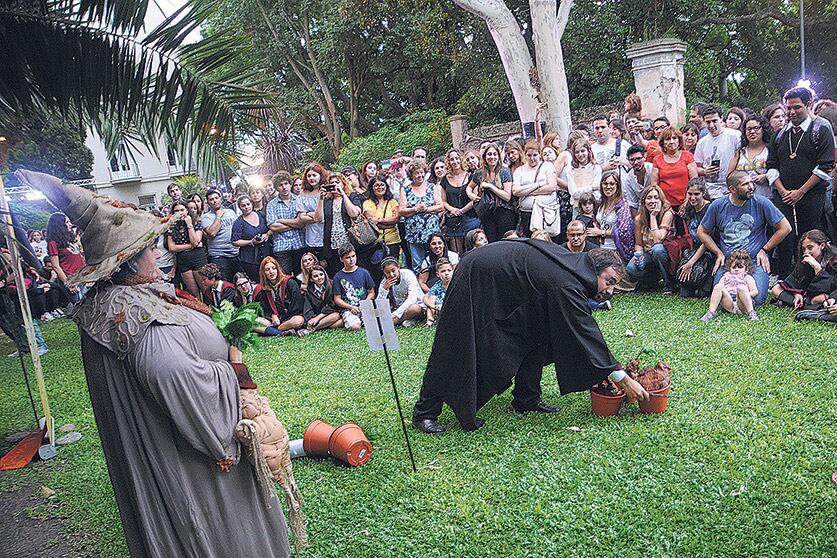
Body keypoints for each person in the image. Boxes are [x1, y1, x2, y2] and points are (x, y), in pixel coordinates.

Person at [15, 169, 293, 557]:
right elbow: (173, 376)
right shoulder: (137, 312)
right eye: (151, 245)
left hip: (160, 449)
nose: (157, 251)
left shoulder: (109, 303)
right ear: (131, 256)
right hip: (192, 468)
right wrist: (230, 368)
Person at [411, 243, 649, 434]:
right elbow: (586, 332)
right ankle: (425, 413)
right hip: (476, 275)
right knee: (455, 342)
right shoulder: (567, 283)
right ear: (595, 269)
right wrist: (624, 380)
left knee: (539, 334)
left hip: (504, 279)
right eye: (609, 282)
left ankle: (527, 397)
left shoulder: (573, 267)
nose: (609, 291)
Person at [766, 86, 836, 278]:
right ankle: (785, 278)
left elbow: (826, 166)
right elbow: (771, 165)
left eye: (796, 107)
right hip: (784, 195)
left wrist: (801, 192)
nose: (791, 112)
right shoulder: (780, 134)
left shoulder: (821, 128)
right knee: (784, 236)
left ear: (808, 104)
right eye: (788, 108)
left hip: (812, 195)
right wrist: (782, 191)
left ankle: (811, 278)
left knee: (810, 236)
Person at [698, 171, 792, 306]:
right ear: (732, 189)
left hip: (754, 260)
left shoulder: (761, 202)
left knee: (758, 300)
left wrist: (765, 250)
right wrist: (718, 253)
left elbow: (785, 228)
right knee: (718, 298)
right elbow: (702, 232)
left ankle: (739, 298)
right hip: (729, 261)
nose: (751, 187)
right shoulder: (717, 205)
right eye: (745, 184)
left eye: (751, 183)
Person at [771, 229, 837, 310]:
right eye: (804, 249)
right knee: (776, 289)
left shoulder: (834, 261)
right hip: (809, 295)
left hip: (828, 294)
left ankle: (807, 304)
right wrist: (796, 293)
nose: (806, 252)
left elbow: (830, 287)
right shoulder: (805, 260)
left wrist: (818, 269)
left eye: (810, 248)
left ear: (822, 246)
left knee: (820, 298)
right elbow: (796, 281)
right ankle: (806, 304)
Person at [628, 184, 675, 293]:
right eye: (649, 198)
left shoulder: (667, 213)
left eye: (656, 197)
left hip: (665, 253)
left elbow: (659, 239)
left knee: (657, 249)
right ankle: (653, 280)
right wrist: (638, 255)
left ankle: (669, 283)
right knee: (631, 268)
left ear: (661, 200)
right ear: (644, 201)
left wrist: (653, 217)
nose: (652, 201)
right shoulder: (639, 218)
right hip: (648, 254)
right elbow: (639, 244)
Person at [466, 144, 517, 243]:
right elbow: (469, 187)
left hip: (505, 211)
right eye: (489, 154)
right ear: (484, 157)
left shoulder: (504, 171)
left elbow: (507, 196)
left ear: (498, 156)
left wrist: (490, 187)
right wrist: (472, 196)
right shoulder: (479, 173)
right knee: (492, 242)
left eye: (494, 154)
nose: (492, 157)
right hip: (487, 212)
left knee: (505, 241)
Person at [399, 161, 443, 273]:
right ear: (411, 175)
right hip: (414, 234)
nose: (420, 175)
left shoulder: (431, 187)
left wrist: (426, 209)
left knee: (436, 260)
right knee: (418, 264)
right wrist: (415, 209)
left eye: (422, 172)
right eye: (416, 173)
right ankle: (421, 286)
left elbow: (440, 206)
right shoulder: (406, 189)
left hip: (432, 233)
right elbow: (401, 211)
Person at [315, 173, 362, 276]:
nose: (335, 185)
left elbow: (354, 214)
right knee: (336, 272)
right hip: (332, 243)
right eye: (332, 183)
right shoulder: (327, 200)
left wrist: (343, 195)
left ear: (343, 183)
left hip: (350, 240)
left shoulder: (352, 196)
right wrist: (321, 199)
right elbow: (318, 219)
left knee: (352, 269)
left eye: (337, 182)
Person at [695, 104, 742, 200]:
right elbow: (696, 167)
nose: (711, 125)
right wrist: (704, 171)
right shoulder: (702, 142)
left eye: (714, 121)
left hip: (732, 187)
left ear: (721, 119)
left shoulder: (735, 136)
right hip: (710, 190)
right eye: (708, 122)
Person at [678, 179, 715, 298]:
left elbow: (707, 241)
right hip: (695, 252)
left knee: (702, 294)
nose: (693, 197)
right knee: (685, 294)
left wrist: (691, 263)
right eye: (690, 194)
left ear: (703, 193)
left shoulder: (710, 208)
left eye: (696, 194)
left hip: (711, 252)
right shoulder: (689, 208)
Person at [513, 139, 559, 237]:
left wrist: (526, 191)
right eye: (529, 155)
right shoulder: (519, 171)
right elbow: (516, 191)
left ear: (539, 154)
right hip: (527, 213)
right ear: (525, 155)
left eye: (535, 155)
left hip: (546, 212)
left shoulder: (547, 166)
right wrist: (538, 185)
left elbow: (552, 186)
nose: (532, 158)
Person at [588, 171, 635, 261]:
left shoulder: (623, 206)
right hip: (599, 248)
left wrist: (601, 232)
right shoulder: (600, 203)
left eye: (612, 183)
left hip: (616, 250)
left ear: (617, 185)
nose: (608, 187)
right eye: (605, 183)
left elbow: (624, 231)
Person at [254, 256, 307, 336]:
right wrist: (272, 315)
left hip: (290, 317)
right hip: (274, 321)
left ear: (277, 269)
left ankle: (274, 331)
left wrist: (280, 318)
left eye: (273, 268)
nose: (271, 272)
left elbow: (297, 306)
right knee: (254, 320)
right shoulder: (262, 289)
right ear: (263, 273)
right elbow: (264, 309)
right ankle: (283, 331)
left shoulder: (290, 283)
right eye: (267, 270)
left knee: (298, 321)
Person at [701, 249, 759, 321]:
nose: (736, 269)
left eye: (740, 267)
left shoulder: (747, 277)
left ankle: (751, 312)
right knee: (718, 286)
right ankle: (711, 312)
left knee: (741, 287)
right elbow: (719, 290)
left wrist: (745, 295)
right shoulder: (725, 277)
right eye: (734, 267)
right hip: (729, 302)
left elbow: (755, 291)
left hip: (742, 303)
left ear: (746, 268)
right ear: (730, 268)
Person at [266, 171, 306, 276]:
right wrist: (295, 223)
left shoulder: (299, 200)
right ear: (276, 187)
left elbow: (301, 223)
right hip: (281, 247)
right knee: (284, 279)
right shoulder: (271, 205)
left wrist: (281, 220)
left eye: (286, 184)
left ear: (290, 184)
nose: (284, 187)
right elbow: (273, 226)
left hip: (299, 245)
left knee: (302, 277)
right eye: (280, 185)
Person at [166, 200, 207, 297]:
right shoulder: (171, 227)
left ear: (187, 211)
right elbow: (171, 247)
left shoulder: (195, 223)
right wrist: (191, 245)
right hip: (183, 260)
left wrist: (189, 224)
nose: (180, 213)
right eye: (176, 211)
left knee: (205, 289)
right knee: (193, 292)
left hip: (197, 258)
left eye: (182, 210)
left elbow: (195, 241)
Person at [440, 149, 477, 252]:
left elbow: (475, 198)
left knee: (472, 248)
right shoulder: (445, 179)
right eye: (452, 159)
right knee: (456, 252)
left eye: (457, 158)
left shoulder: (471, 176)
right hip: (453, 220)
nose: (455, 161)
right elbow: (443, 201)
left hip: (470, 218)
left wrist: (462, 210)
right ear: (448, 162)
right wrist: (453, 210)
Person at [652, 126, 698, 208]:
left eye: (674, 138)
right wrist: (664, 203)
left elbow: (694, 181)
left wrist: (687, 201)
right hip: (665, 204)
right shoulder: (657, 159)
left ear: (679, 141)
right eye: (667, 139)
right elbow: (654, 185)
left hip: (687, 202)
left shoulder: (687, 156)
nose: (671, 141)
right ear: (663, 143)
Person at [200, 188, 241, 281]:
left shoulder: (230, 212)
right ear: (208, 202)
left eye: (216, 198)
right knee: (225, 284)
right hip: (219, 256)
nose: (214, 201)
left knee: (240, 282)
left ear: (221, 199)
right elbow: (212, 233)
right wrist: (218, 216)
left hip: (235, 253)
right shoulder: (206, 217)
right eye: (211, 199)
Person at [332, 245, 375, 331]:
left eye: (353, 256)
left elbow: (372, 292)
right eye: (348, 258)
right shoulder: (338, 276)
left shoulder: (364, 272)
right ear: (341, 259)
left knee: (373, 324)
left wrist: (364, 303)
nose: (351, 260)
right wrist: (350, 307)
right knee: (356, 327)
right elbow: (337, 298)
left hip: (364, 306)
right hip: (348, 309)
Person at [46, 212, 87, 302]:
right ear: (60, 225)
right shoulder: (53, 243)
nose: (70, 224)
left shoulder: (69, 238)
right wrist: (68, 283)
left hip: (80, 274)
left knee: (86, 301)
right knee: (78, 303)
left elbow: (79, 254)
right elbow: (56, 266)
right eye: (67, 222)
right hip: (69, 277)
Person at [729, 114, 771, 199]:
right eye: (749, 129)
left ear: (763, 130)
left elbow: (780, 170)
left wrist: (766, 176)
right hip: (744, 199)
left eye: (756, 128)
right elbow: (730, 176)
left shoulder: (770, 150)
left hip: (767, 198)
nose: (752, 132)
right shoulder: (740, 152)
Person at [231, 195, 272, 281]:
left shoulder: (261, 215)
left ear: (252, 204)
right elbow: (235, 241)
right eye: (243, 205)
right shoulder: (238, 222)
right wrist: (251, 242)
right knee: (257, 281)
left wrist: (267, 234)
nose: (246, 207)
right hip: (250, 259)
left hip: (267, 252)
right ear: (240, 208)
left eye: (248, 204)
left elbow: (272, 227)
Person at [376, 257, 425, 327]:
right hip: (398, 309)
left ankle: (393, 322)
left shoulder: (408, 274)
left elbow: (412, 298)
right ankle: (406, 320)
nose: (391, 275)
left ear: (398, 267)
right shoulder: (384, 282)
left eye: (393, 271)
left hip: (414, 306)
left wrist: (395, 314)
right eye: (387, 272)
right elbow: (379, 304)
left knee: (415, 308)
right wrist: (385, 289)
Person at [363, 175, 402, 260]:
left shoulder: (392, 202)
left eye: (382, 185)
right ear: (371, 188)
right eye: (376, 185)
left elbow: (396, 218)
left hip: (393, 241)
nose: (379, 187)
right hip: (376, 242)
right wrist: (389, 224)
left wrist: (380, 220)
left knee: (393, 266)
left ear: (386, 186)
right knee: (377, 269)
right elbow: (372, 221)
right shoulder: (367, 203)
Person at [295, 163, 328, 261]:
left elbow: (327, 215)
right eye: (309, 176)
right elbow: (302, 218)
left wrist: (309, 213)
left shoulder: (326, 191)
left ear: (320, 176)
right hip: (311, 237)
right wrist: (318, 216)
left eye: (314, 175)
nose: (311, 178)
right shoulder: (303, 193)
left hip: (326, 234)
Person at [302, 265, 343, 331]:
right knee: (336, 323)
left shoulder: (332, 284)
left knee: (337, 317)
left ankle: (311, 329)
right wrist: (310, 319)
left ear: (325, 274)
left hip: (332, 313)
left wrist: (318, 317)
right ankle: (322, 325)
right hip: (318, 317)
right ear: (311, 279)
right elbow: (308, 308)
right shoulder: (309, 291)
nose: (319, 278)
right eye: (315, 276)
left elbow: (334, 305)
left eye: (321, 274)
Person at [423, 258, 453, 327]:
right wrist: (432, 306)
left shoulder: (455, 284)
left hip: (452, 308)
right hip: (438, 309)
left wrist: (443, 306)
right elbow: (425, 297)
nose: (446, 273)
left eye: (449, 270)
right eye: (443, 271)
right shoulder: (438, 285)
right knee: (432, 297)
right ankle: (430, 321)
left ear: (453, 271)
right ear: (438, 274)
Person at [623, 144, 653, 212]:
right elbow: (632, 204)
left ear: (644, 157)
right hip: (642, 210)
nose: (636, 162)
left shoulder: (652, 169)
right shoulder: (628, 178)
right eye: (632, 160)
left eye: (638, 158)